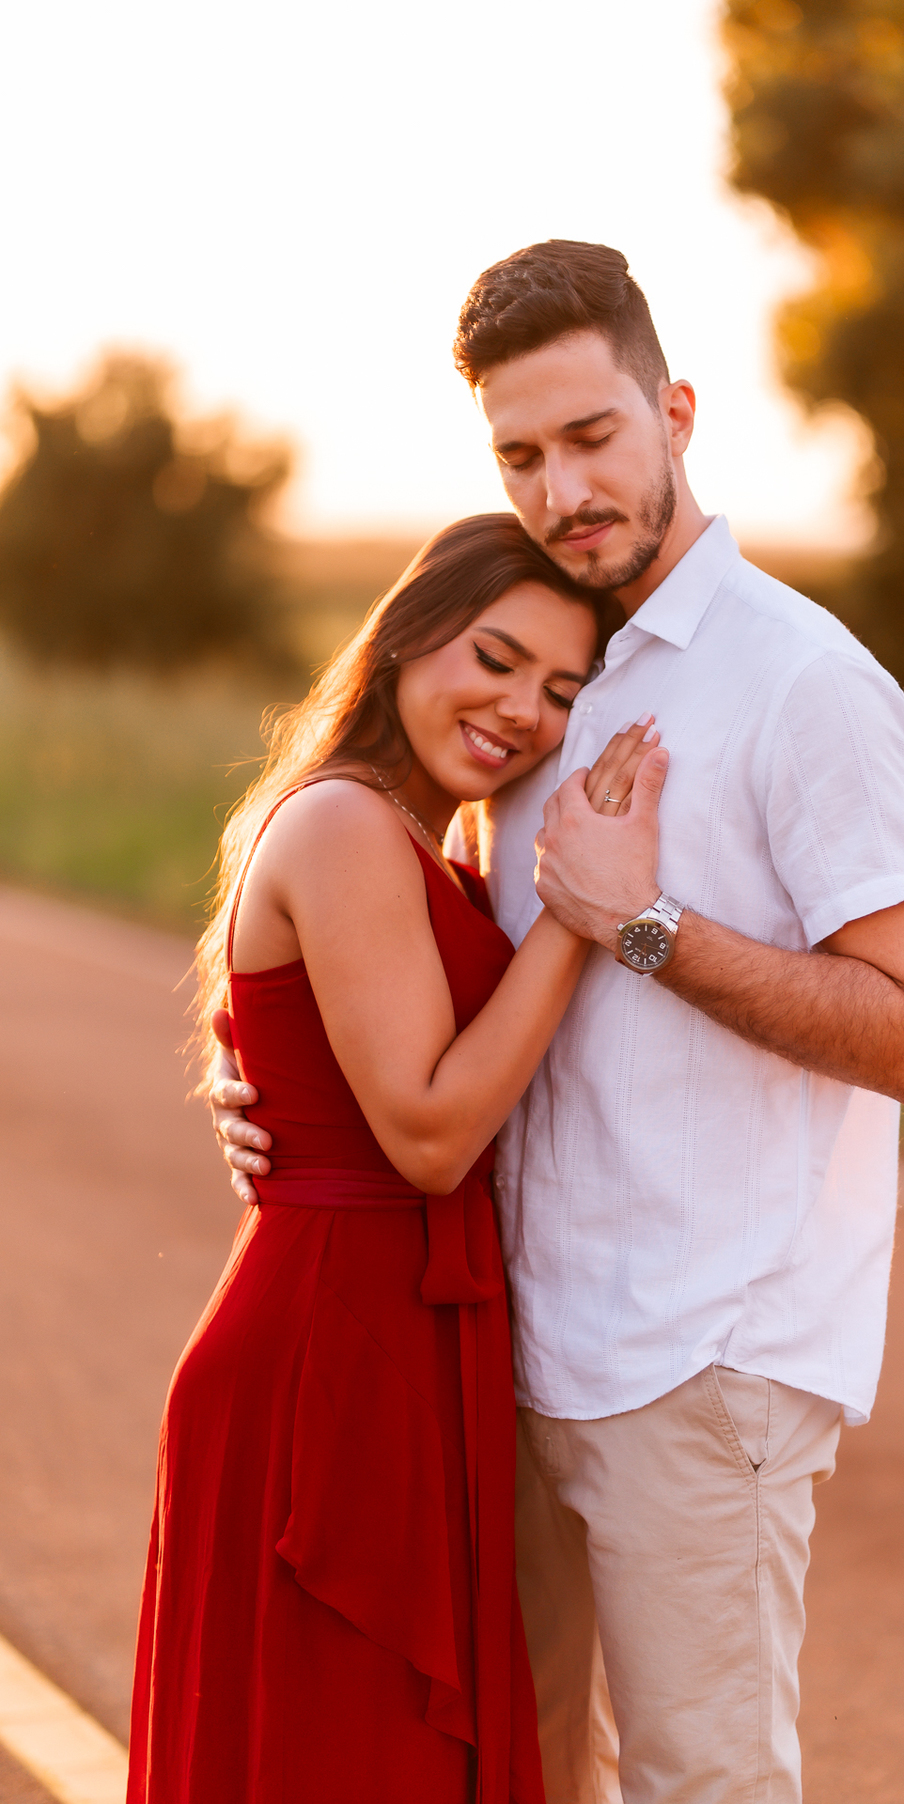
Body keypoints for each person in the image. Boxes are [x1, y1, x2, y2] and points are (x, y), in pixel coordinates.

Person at [213, 243, 904, 1803]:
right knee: (530, 1779)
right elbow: (415, 971)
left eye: (593, 437)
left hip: (707, 1354)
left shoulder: (801, 682)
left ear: (676, 412)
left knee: (703, 1787)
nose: (562, 486)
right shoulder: (553, 675)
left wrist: (642, 924)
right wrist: (279, 1101)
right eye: (520, 454)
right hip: (510, 1344)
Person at [128, 513, 662, 1804]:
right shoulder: (348, 828)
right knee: (338, 1759)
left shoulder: (424, 841)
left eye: (558, 691)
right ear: (409, 636)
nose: (520, 711)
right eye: (494, 657)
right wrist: (585, 915)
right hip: (333, 1351)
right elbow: (427, 1134)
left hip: (405, 1332)